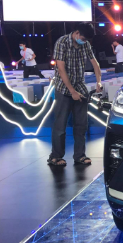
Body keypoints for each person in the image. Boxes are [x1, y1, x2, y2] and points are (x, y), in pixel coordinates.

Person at [48, 22, 103, 167]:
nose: (84, 41)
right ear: (77, 33)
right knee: (60, 126)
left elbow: (95, 63)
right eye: (83, 38)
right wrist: (72, 92)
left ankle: (80, 155)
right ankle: (55, 156)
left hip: (80, 87)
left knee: (81, 125)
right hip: (63, 89)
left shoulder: (85, 44)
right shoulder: (62, 43)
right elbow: (61, 69)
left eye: (86, 40)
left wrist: (99, 81)